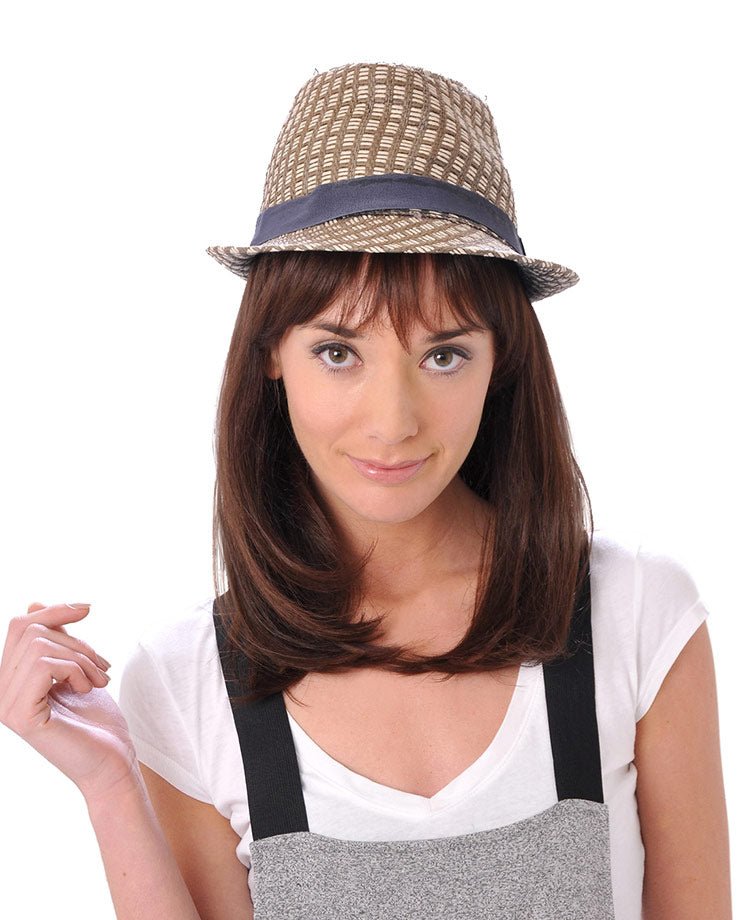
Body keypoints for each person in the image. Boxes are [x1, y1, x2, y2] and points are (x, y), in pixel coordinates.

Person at [0, 61, 731, 919]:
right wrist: (110, 786)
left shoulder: (636, 618)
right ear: (272, 355)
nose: (392, 422)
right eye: (338, 352)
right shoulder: (187, 680)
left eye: (444, 354)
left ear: (502, 362)